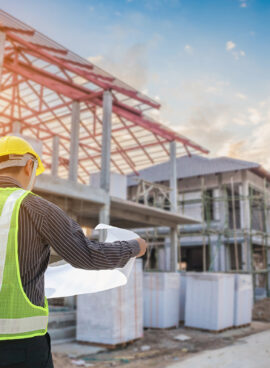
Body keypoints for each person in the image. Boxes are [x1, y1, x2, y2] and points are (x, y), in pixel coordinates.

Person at [0, 135, 147, 368]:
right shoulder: (37, 209)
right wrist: (134, 247)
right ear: (29, 166)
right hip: (22, 348)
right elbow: (88, 255)